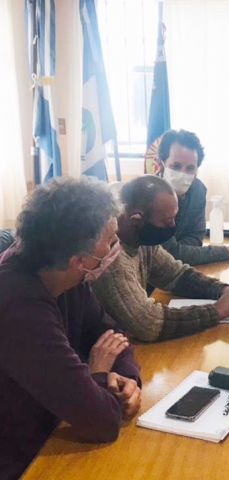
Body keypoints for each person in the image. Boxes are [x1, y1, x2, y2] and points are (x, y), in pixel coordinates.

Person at [0, 177, 141, 480]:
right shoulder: (17, 304)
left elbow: (111, 335)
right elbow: (100, 422)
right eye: (110, 239)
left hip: (55, 424)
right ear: (79, 259)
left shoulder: (66, 273)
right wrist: (100, 373)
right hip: (24, 457)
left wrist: (127, 380)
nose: (116, 246)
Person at [91, 175, 229, 343]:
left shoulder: (143, 239)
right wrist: (216, 311)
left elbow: (177, 275)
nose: (173, 226)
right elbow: (149, 324)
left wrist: (223, 290)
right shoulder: (111, 261)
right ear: (136, 220)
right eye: (167, 220)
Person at [156, 129, 229, 265]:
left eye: (190, 168)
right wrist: (226, 252)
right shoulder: (149, 197)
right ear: (161, 164)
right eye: (176, 166)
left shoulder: (198, 190)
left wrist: (183, 251)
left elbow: (196, 239)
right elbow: (169, 254)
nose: (182, 173)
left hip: (178, 270)